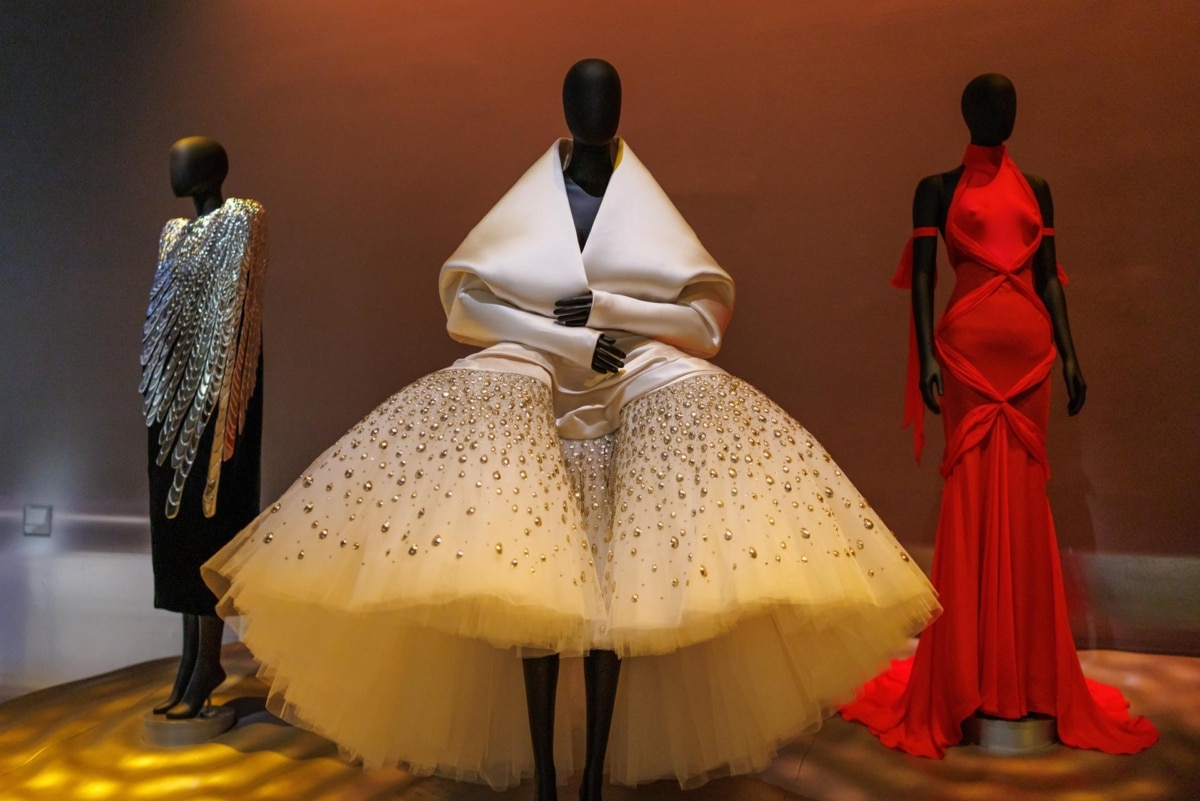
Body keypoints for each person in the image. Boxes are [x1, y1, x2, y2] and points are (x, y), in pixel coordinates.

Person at [204, 60, 939, 797]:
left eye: (607, 98)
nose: (597, 111)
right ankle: (553, 780)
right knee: (532, 585)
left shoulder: (641, 204)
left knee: (624, 582)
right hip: (534, 375)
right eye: (586, 98)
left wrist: (608, 311)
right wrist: (570, 340)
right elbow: (468, 306)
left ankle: (587, 779)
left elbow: (704, 322)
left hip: (633, 376)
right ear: (565, 107)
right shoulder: (534, 202)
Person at [839, 73, 1158, 757]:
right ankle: (968, 675)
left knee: (1022, 497)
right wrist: (926, 357)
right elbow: (924, 277)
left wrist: (1070, 354)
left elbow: (1049, 278)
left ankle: (1025, 672)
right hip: (967, 358)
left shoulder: (1037, 189)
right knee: (972, 496)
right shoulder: (937, 189)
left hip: (1030, 359)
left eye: (1008, 102)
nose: (1001, 112)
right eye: (990, 103)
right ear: (969, 112)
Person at [141, 136, 267, 719]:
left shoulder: (242, 217)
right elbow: (163, 318)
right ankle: (192, 658)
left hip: (221, 397)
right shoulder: (173, 232)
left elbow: (235, 310)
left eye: (182, 160)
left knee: (208, 520)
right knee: (177, 527)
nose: (174, 169)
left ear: (210, 169)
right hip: (171, 398)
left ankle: (207, 662)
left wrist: (216, 403)